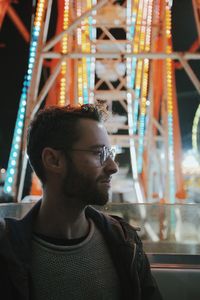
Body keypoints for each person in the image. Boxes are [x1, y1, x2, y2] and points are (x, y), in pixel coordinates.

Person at [0, 104, 162, 300]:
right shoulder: (6, 253)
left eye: (110, 155)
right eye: (98, 153)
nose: (113, 167)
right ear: (53, 160)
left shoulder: (126, 242)